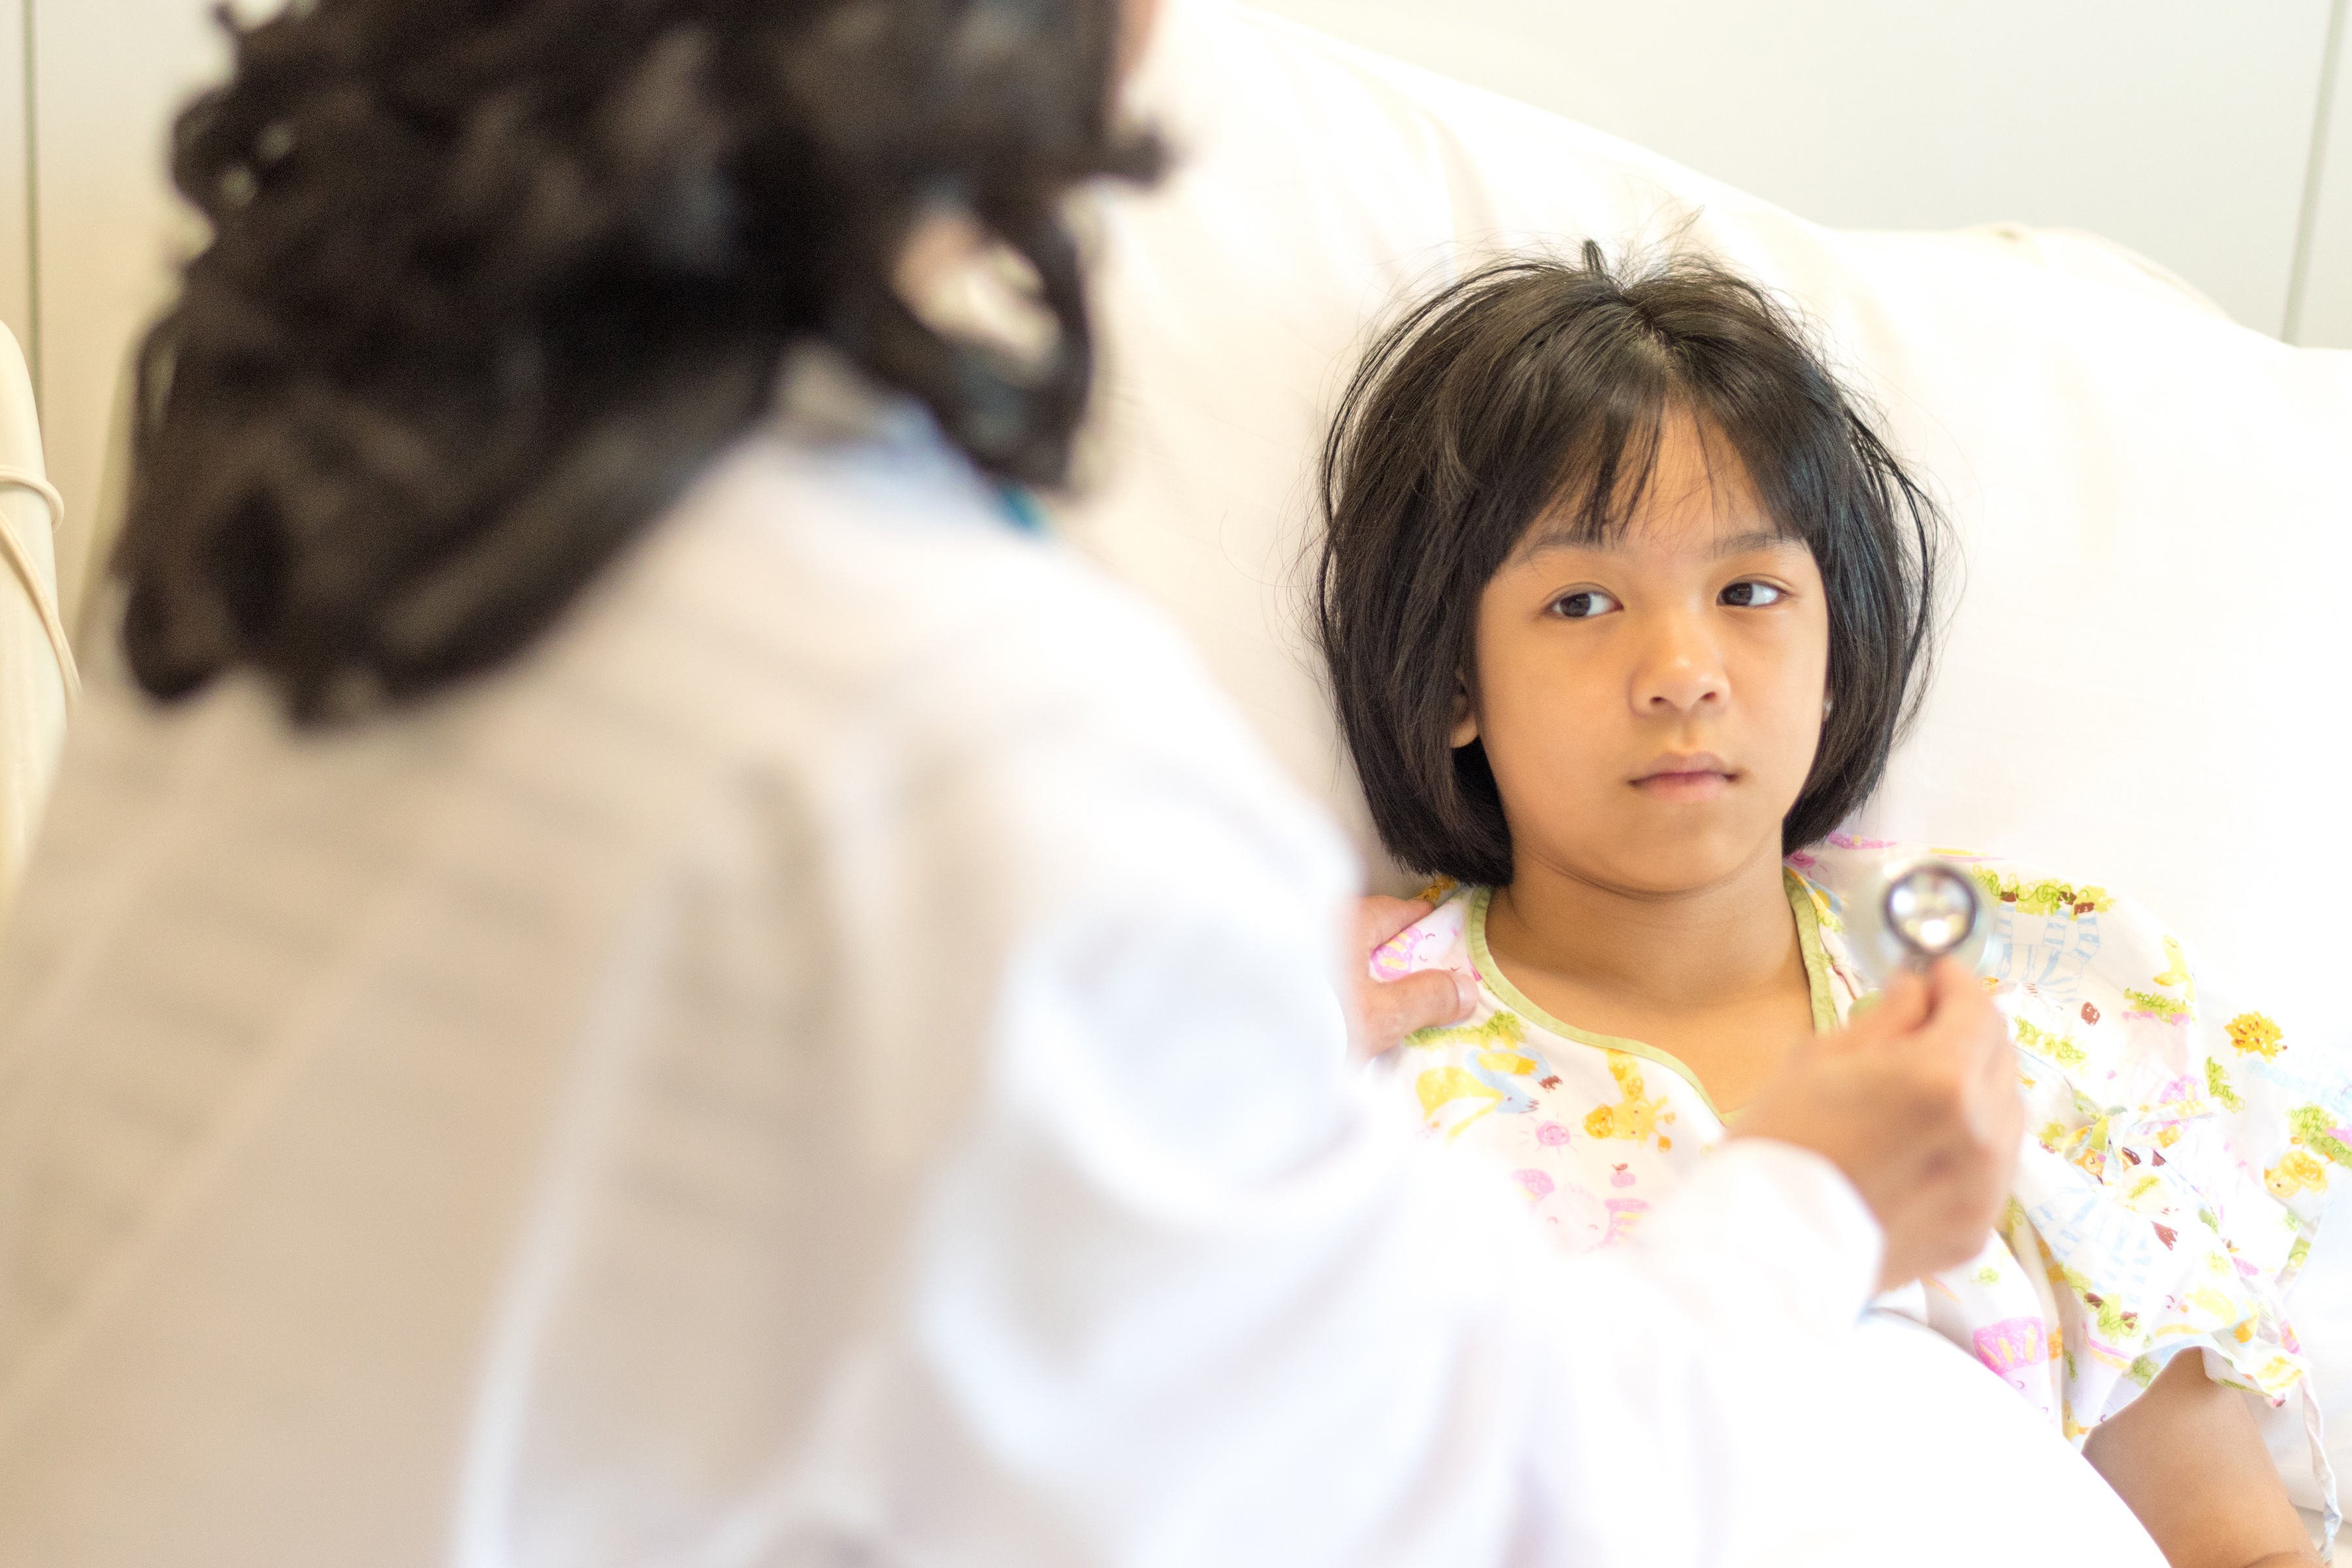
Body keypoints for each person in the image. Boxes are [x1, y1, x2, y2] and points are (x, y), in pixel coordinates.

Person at [0, 2, 2163, 1563]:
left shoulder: (309, 541)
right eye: (1582, 602)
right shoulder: (958, 742)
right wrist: (1813, 1202)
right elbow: (1507, 1511)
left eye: (1753, 594)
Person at [1316, 248, 2344, 1566]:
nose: (1681, 671)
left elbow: (2233, 1544)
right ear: (1452, 679)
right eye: (1581, 601)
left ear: (1834, 649)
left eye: (1749, 593)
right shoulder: (1355, 1051)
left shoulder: (2012, 1005)